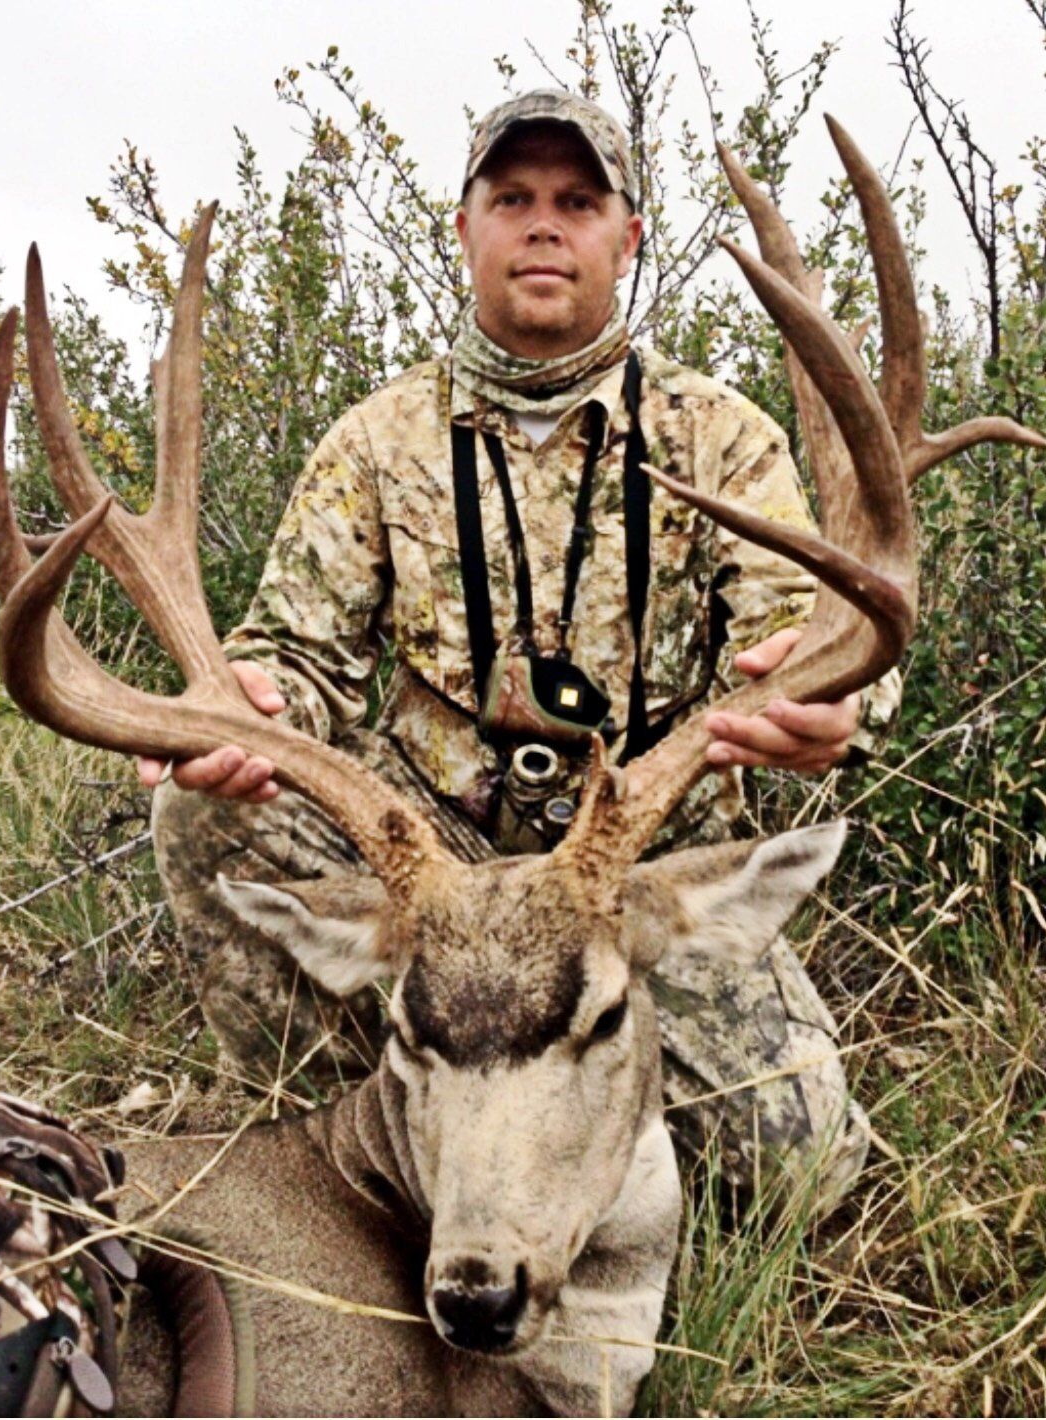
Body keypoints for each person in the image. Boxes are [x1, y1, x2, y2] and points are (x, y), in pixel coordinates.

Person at [142, 90, 899, 1211]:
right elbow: (295, 658)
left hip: (630, 867)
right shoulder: (376, 439)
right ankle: (358, 1172)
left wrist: (833, 696)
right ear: (465, 229)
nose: (543, 225)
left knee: (796, 1171)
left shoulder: (720, 437)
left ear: (625, 238)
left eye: (576, 202)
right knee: (203, 812)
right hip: (429, 868)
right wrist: (248, 707)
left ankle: (561, 1144)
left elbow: (802, 632)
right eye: (513, 199)